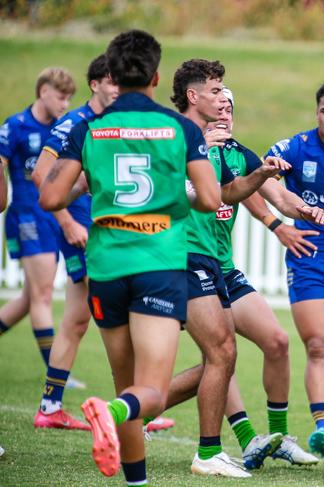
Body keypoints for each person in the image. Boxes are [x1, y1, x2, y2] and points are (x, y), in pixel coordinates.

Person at [39, 30, 221, 485]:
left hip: (106, 269)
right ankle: (109, 409)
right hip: (157, 266)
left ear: (114, 77)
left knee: (130, 386)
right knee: (150, 394)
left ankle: (134, 479)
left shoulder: (87, 128)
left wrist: (90, 184)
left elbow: (51, 196)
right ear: (157, 76)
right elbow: (210, 198)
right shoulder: (179, 128)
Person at [163, 86, 324, 471]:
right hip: (183, 262)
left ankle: (277, 437)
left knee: (276, 341)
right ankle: (134, 412)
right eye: (218, 105)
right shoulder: (181, 143)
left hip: (223, 268)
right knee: (220, 357)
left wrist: (305, 210)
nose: (224, 114)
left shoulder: (238, 154)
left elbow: (277, 196)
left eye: (229, 108)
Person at [266, 76, 324, 457]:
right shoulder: (296, 148)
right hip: (310, 256)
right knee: (319, 345)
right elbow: (264, 176)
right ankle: (322, 426)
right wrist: (284, 219)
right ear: (316, 112)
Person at [30, 53, 119, 432]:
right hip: (82, 231)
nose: (118, 89)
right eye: (112, 81)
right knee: (118, 314)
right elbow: (39, 174)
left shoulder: (113, 123)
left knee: (77, 320)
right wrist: (67, 222)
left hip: (98, 230)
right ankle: (135, 411)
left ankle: (50, 406)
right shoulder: (74, 123)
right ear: (95, 84)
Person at [0, 67, 75, 369]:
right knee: (42, 295)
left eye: (70, 98)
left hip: (53, 216)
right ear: (43, 91)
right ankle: (57, 371)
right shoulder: (15, 126)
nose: (66, 104)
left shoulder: (62, 128)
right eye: (61, 97)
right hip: (29, 217)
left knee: (28, 298)